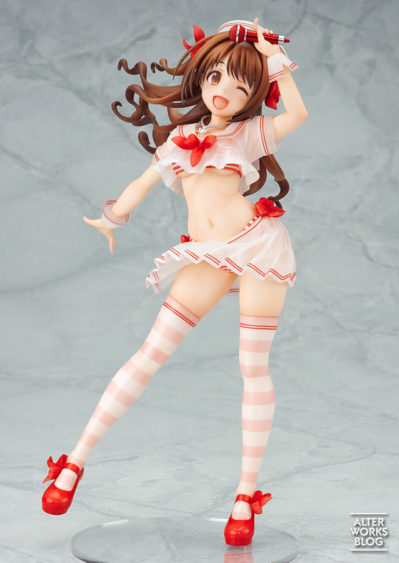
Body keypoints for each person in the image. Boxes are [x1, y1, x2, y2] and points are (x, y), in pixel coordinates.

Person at [41, 17, 308, 546]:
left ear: (255, 93)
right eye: (216, 76)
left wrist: (273, 56)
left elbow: (298, 114)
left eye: (242, 85)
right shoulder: (177, 143)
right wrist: (112, 218)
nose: (224, 90)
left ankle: (244, 497)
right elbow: (140, 184)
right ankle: (73, 463)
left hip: (258, 249)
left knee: (251, 365)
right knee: (148, 354)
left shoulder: (248, 133)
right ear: (201, 76)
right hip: (206, 255)